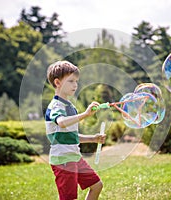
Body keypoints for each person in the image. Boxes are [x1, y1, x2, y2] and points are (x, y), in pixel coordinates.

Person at [45, 60, 106, 200]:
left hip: (74, 156)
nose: (75, 85)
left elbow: (69, 135)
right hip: (63, 159)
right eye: (71, 81)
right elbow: (61, 123)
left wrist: (93, 138)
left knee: (97, 185)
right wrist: (85, 114)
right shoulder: (56, 106)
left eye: (76, 81)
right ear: (57, 83)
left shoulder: (69, 106)